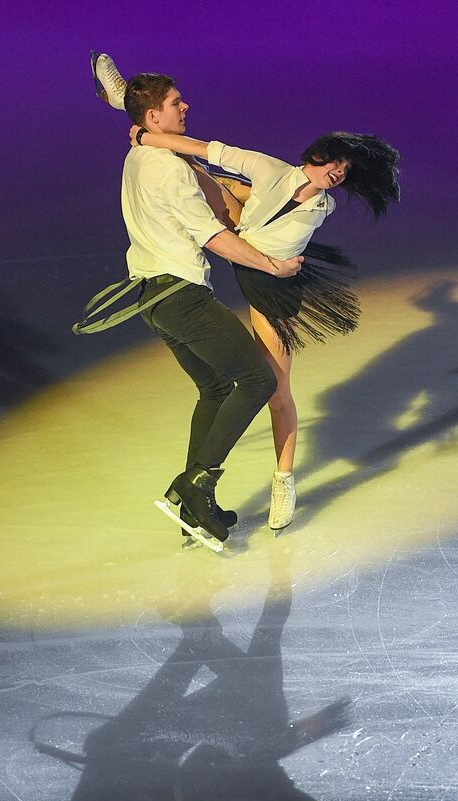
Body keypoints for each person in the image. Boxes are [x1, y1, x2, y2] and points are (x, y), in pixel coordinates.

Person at [93, 53, 400, 530]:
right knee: (199, 172)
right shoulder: (269, 168)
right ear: (314, 156)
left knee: (275, 390)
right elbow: (200, 151)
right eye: (335, 161)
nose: (339, 172)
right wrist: (146, 135)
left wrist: (143, 135)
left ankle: (283, 480)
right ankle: (196, 488)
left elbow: (229, 216)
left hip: (270, 284)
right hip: (247, 252)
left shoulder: (320, 207)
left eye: (346, 170)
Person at [111, 69, 304, 549]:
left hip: (151, 301)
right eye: (177, 103)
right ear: (155, 114)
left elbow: (160, 144)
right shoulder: (171, 169)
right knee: (259, 381)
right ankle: (197, 484)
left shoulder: (137, 156)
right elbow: (217, 238)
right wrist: (273, 267)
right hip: (183, 298)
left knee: (216, 386)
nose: (186, 107)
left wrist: (141, 132)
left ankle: (197, 504)